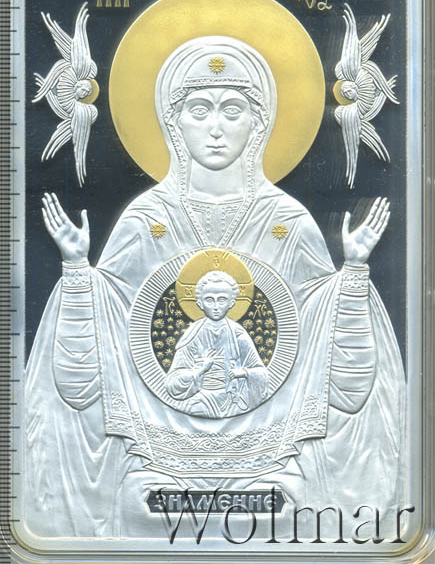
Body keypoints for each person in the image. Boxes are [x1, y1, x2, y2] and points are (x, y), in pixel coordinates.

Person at [25, 36, 405, 538]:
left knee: (291, 503)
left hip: (268, 457)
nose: (216, 129)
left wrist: (353, 274)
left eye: (233, 110)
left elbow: (343, 383)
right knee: (136, 503)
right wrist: (77, 271)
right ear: (174, 123)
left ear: (259, 123)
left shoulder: (288, 221)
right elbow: (83, 381)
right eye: (200, 110)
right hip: (160, 457)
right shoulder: (145, 219)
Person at [165, 271, 268, 417]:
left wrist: (243, 373)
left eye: (221, 300)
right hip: (201, 399)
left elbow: (261, 373)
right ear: (200, 304)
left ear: (231, 303)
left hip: (234, 400)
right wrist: (200, 370)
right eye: (209, 300)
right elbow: (172, 382)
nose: (215, 306)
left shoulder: (238, 334)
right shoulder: (192, 336)